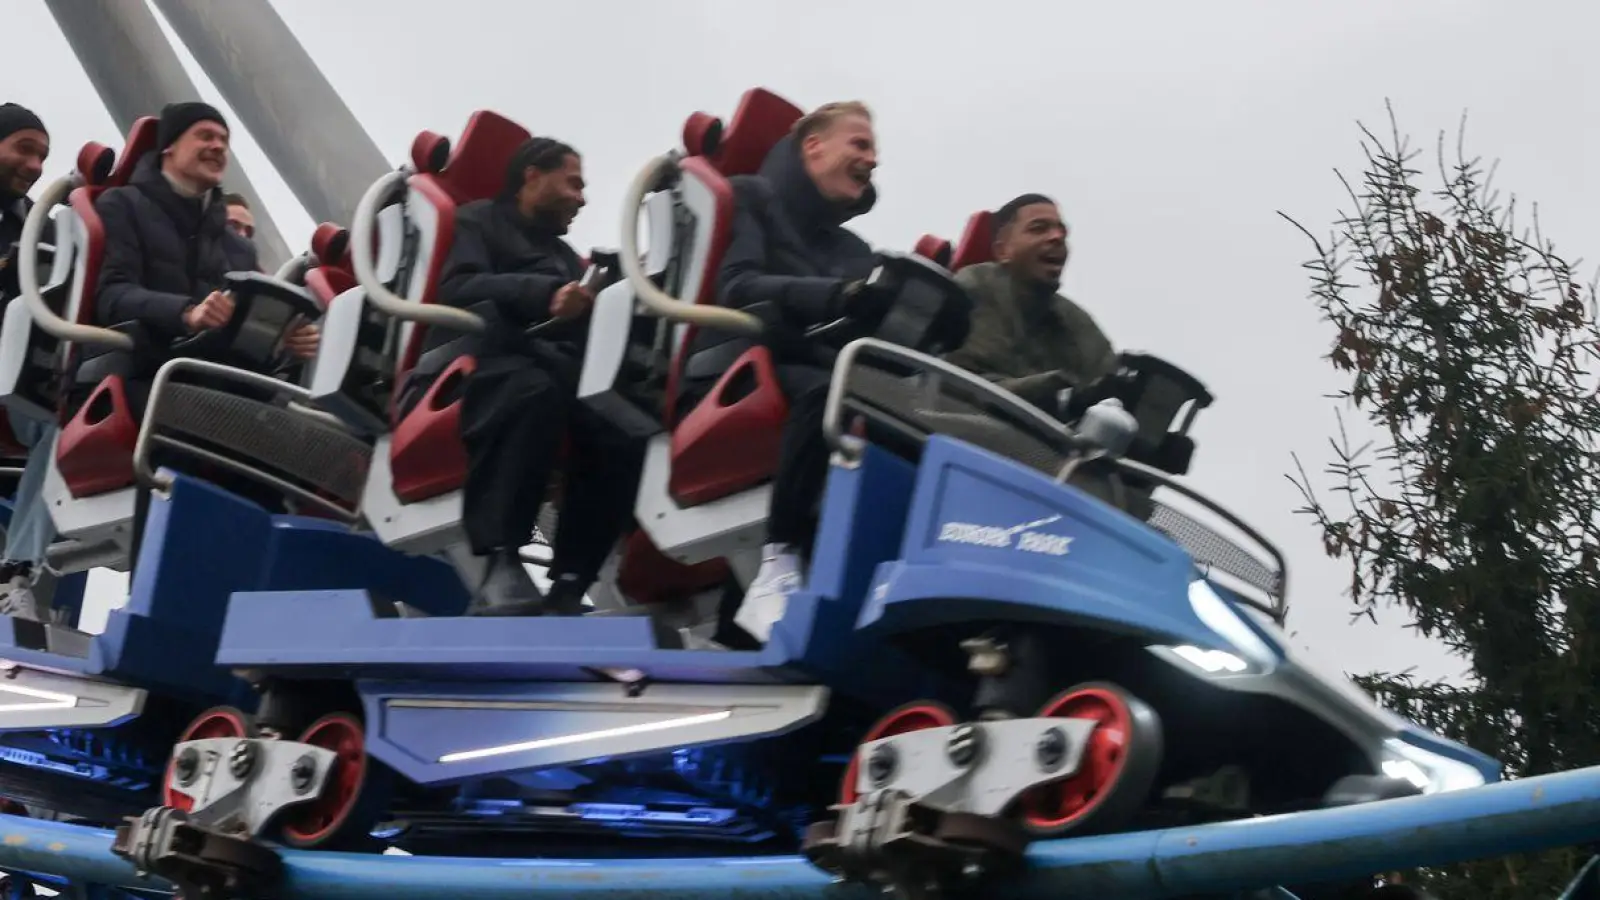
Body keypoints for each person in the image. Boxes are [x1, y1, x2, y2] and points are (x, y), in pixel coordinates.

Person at [677, 101, 881, 644]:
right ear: (812, 146)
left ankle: (748, 628)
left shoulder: (855, 250)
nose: (872, 160)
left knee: (880, 415)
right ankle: (779, 557)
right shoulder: (752, 198)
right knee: (827, 396)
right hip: (732, 368)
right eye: (859, 145)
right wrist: (830, 297)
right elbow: (738, 285)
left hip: (814, 368)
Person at [417, 136, 643, 616]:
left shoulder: (564, 255)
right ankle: (500, 560)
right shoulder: (476, 221)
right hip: (482, 361)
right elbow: (457, 287)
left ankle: (571, 579)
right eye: (573, 183)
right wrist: (545, 295)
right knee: (530, 393)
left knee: (621, 423)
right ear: (532, 176)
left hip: (552, 364)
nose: (581, 198)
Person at [91, 101, 318, 413]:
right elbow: (111, 296)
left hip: (218, 386)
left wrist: (284, 340)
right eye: (205, 136)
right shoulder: (122, 205)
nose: (218, 146)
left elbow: (246, 332)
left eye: (224, 141)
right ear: (169, 146)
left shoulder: (239, 248)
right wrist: (186, 313)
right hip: (147, 374)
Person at [945, 193, 1117, 413]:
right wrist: (1048, 390)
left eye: (1062, 232)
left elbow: (1108, 385)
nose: (1057, 237)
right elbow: (965, 382)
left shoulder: (1078, 322)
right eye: (1038, 229)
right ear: (1002, 251)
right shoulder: (978, 286)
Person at [0, 103, 55, 621]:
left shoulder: (37, 226)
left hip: (13, 374)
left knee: (64, 418)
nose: (35, 164)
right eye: (24, 149)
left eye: (42, 155)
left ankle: (18, 569)